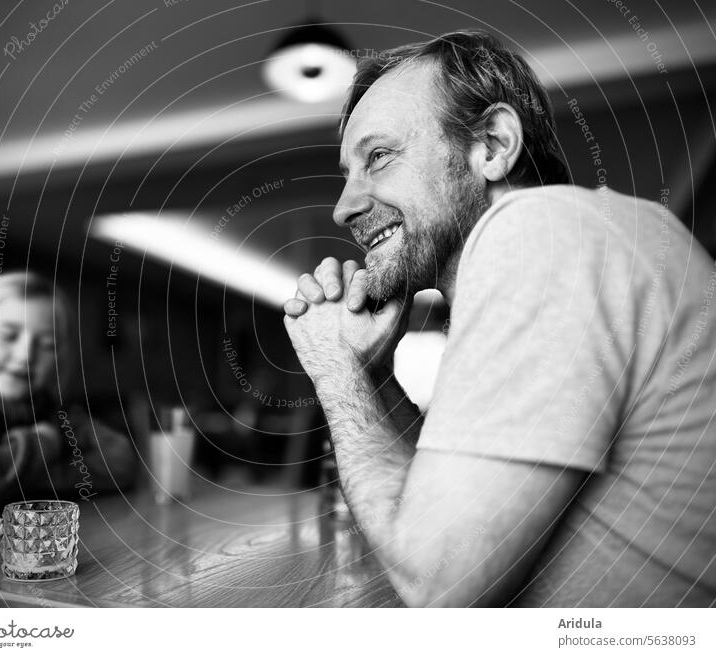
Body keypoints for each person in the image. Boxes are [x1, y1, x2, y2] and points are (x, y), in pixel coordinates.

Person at [283, 30, 716, 607]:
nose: (345, 207)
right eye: (348, 174)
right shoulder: (571, 244)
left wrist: (333, 372)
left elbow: (438, 582)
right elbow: (434, 514)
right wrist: (371, 376)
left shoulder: (539, 231)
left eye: (378, 157)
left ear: (491, 144)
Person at [0, 272, 136, 515]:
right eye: (8, 336)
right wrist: (46, 440)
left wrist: (6, 482)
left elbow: (120, 461)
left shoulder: (48, 408)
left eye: (46, 345)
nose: (25, 356)